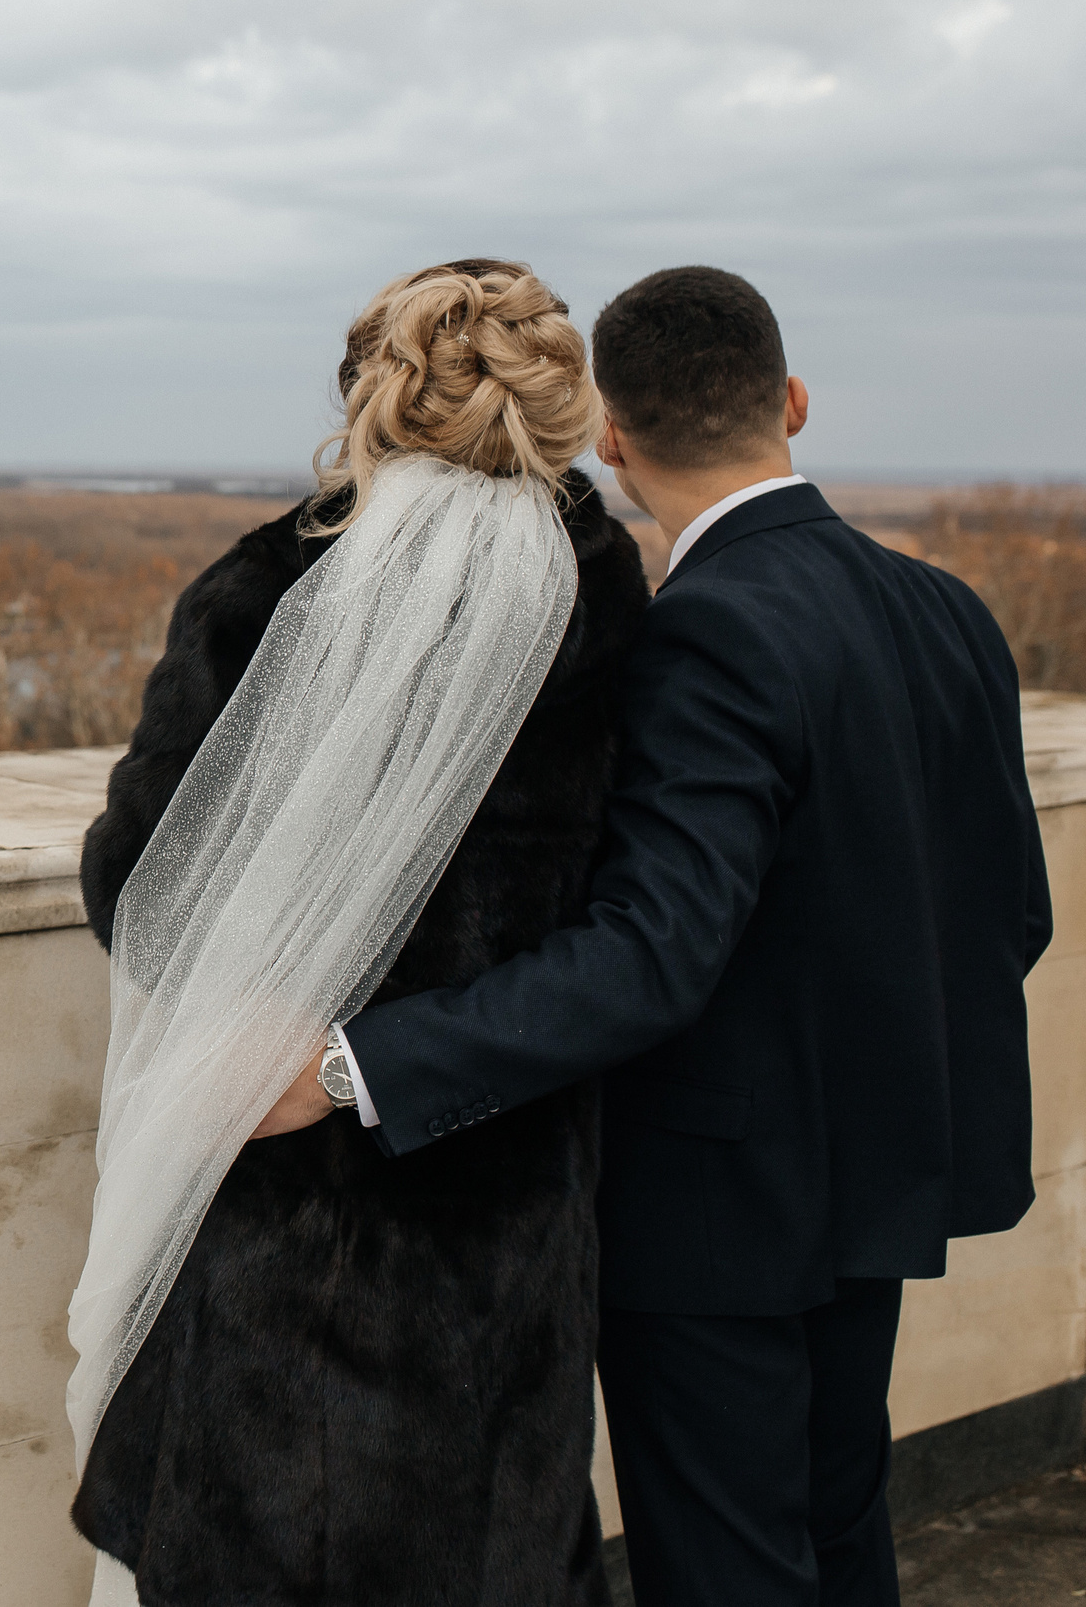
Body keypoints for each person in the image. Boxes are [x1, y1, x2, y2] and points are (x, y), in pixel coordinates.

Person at [261, 266, 1052, 1606]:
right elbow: (1012, 911)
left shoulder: (704, 631)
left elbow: (649, 956)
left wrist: (351, 1066)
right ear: (793, 401)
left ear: (612, 439)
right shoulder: (946, 609)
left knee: (730, 1571)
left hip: (714, 1217)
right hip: (877, 1177)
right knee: (842, 1537)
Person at [70, 258, 648, 1605]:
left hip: (278, 1207)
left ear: (370, 397)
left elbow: (140, 890)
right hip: (499, 1221)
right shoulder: (607, 604)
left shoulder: (270, 588)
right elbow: (624, 934)